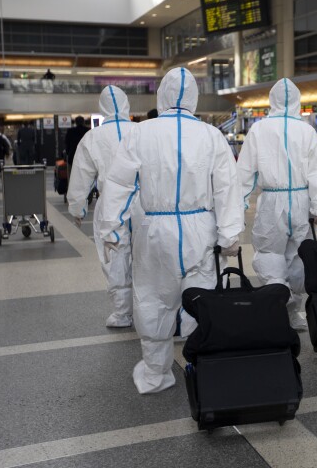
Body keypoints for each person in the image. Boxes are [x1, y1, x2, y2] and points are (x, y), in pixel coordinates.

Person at [97, 67, 243, 394]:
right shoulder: (211, 136)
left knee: (152, 300)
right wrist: (229, 235)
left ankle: (156, 373)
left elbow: (118, 184)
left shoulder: (139, 133)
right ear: (192, 97)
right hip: (200, 230)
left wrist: (111, 230)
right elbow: (226, 188)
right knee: (203, 300)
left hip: (153, 230)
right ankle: (203, 367)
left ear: (161, 95)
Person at [237, 78, 317, 330]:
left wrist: (238, 206)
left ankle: (279, 298)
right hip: (301, 200)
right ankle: (293, 309)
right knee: (300, 256)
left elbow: (245, 172)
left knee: (269, 252)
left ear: (272, 100)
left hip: (271, 200)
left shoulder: (259, 129)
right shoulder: (307, 130)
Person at [68, 86, 138, 328]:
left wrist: (77, 209)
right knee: (147, 258)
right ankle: (151, 311)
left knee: (114, 258)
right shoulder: (141, 131)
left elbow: (80, 177)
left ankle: (122, 313)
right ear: (126, 103)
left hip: (110, 206)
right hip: (145, 206)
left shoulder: (92, 138)